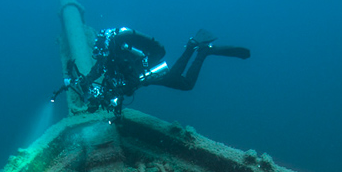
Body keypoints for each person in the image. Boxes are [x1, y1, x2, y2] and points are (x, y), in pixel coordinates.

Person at [53, 27, 250, 115]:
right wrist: (86, 80)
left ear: (107, 51)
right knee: (183, 82)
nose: (101, 59)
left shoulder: (121, 58)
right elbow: (98, 69)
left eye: (102, 55)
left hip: (148, 70)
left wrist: (115, 92)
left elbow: (131, 83)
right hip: (142, 75)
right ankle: (197, 49)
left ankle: (198, 49)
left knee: (183, 82)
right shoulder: (107, 58)